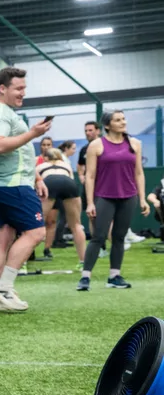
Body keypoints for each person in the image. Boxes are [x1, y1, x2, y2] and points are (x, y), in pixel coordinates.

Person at [0, 67, 51, 312]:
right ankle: (4, 289)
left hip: (5, 183)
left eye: (24, 88)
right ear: (3, 88)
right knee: (36, 233)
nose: (23, 93)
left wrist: (37, 176)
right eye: (18, 88)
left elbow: (19, 152)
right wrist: (33, 133)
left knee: (2, 238)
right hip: (12, 185)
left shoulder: (5, 111)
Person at [78, 110, 152, 290]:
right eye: (118, 120)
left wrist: (142, 198)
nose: (123, 122)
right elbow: (90, 176)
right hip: (104, 197)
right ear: (107, 125)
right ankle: (85, 278)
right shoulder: (96, 145)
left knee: (119, 237)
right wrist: (90, 202)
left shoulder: (134, 143)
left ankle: (114, 276)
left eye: (124, 119)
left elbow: (139, 173)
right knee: (98, 237)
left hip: (128, 197)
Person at [36, 148, 85, 265]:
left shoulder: (40, 166)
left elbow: (36, 185)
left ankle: (23, 261)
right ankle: (83, 262)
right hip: (68, 183)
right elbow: (71, 180)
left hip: (49, 183)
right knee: (76, 225)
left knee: (34, 225)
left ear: (46, 158)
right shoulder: (66, 165)